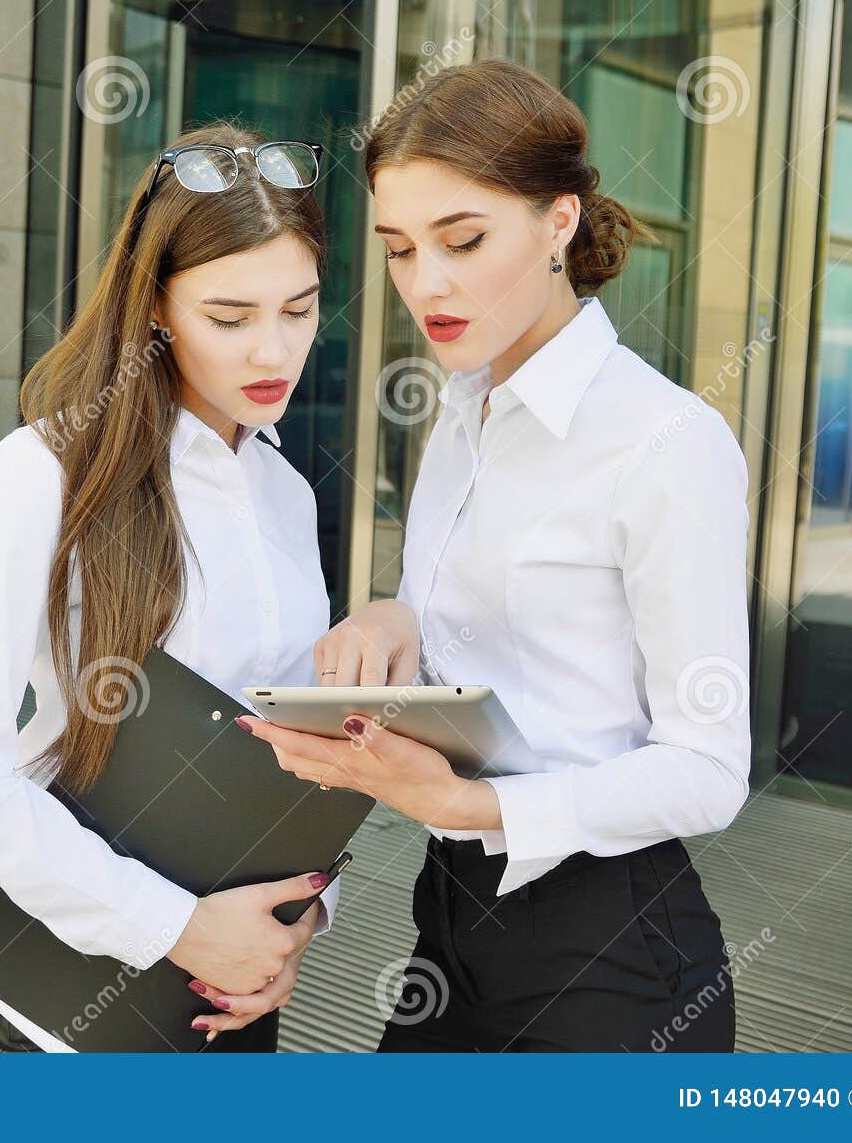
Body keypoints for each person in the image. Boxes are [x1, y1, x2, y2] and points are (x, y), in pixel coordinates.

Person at [237, 59, 751, 1052]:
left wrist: (469, 800)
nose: (425, 285)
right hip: (451, 925)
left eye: (462, 240)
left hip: (609, 962)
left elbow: (707, 769)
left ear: (559, 220)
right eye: (398, 250)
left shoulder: (664, 440)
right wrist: (396, 616)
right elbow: (476, 614)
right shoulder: (463, 403)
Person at [0, 124, 340, 1051]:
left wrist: (296, 925)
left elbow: (289, 760)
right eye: (230, 317)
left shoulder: (287, 493)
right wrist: (178, 926)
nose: (275, 352)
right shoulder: (47, 472)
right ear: (156, 310)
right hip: (65, 1012)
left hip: (229, 1004)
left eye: (298, 309)